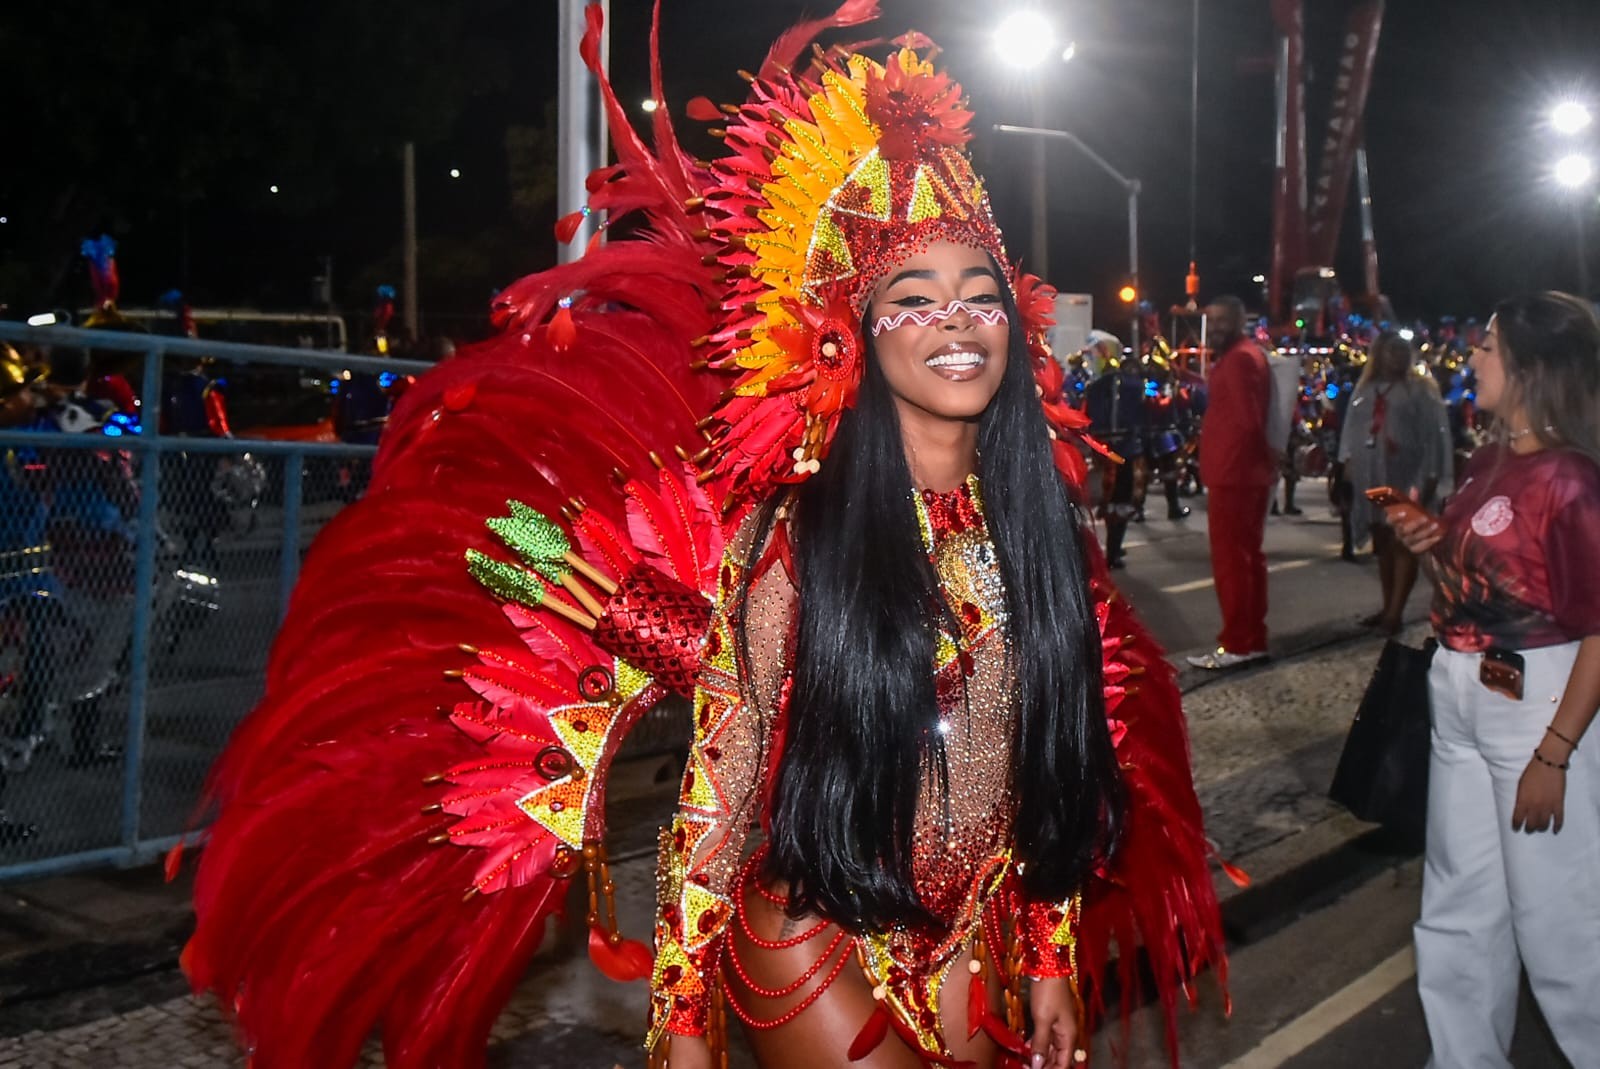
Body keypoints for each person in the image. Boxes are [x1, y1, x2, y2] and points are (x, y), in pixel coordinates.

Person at [182, 13, 1227, 1069]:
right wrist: (679, 1028)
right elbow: (718, 798)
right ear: (853, 336)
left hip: (982, 932)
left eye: (979, 297)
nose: (955, 322)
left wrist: (1048, 950)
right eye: (913, 300)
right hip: (816, 930)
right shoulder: (798, 538)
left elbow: (1042, 761)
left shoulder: (1038, 534)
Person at [1388, 292, 1600, 1069]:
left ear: (1531, 367)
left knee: (1560, 922)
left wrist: (1555, 753)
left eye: (1487, 345)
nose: (1472, 356)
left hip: (1538, 701)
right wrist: (1430, 541)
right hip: (1460, 694)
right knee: (1457, 909)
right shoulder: (1486, 460)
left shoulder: (1572, 480)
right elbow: (1490, 577)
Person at [1337, 331, 1451, 635]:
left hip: (1406, 474)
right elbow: (1351, 429)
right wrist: (1347, 464)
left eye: (1402, 351)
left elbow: (1434, 437)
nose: (1398, 356)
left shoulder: (1421, 391)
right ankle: (1387, 605)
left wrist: (1430, 477)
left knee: (1403, 543)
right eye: (1391, 351)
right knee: (1383, 544)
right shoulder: (1366, 389)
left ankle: (1396, 611)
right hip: (1371, 474)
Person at [1188, 296, 1275, 670]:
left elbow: (1246, 421)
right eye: (1213, 319)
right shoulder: (1244, 355)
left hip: (1234, 475)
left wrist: (1228, 462)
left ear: (1240, 320)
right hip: (1242, 473)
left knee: (1232, 563)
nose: (1217, 326)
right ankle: (1250, 638)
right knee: (1247, 560)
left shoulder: (1239, 359)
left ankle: (1238, 643)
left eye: (1224, 320)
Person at [1082, 330, 1146, 567]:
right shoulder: (1134, 384)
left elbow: (1084, 418)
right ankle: (1113, 551)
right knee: (1121, 500)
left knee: (1107, 501)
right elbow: (1145, 412)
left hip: (1101, 451)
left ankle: (1109, 552)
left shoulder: (1093, 387)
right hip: (1126, 451)